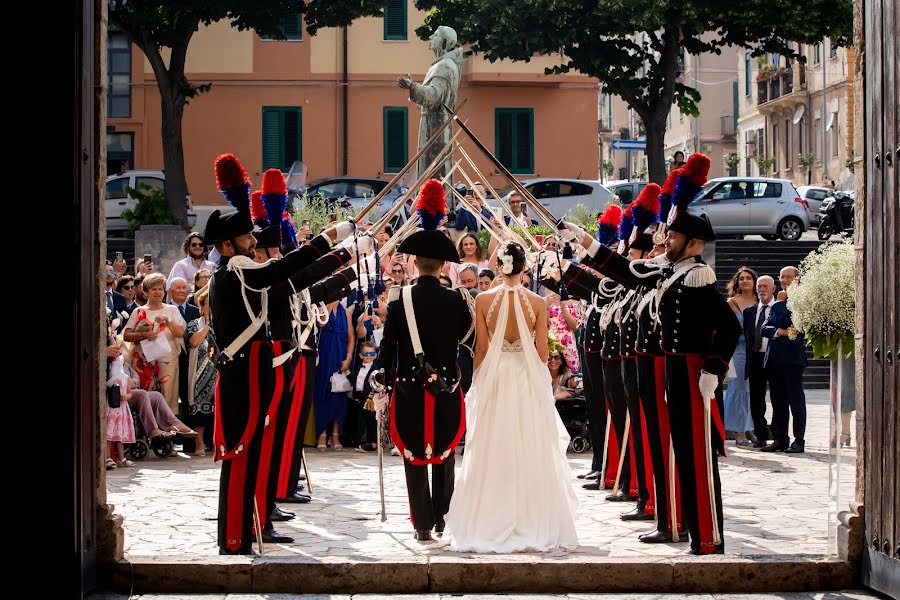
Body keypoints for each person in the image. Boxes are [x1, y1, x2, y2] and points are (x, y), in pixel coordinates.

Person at [205, 152, 357, 555]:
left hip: (252, 369)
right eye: (246, 238)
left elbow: (290, 275)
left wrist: (340, 256)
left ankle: (247, 527)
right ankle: (235, 537)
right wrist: (331, 240)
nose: (254, 243)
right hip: (244, 372)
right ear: (226, 244)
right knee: (242, 454)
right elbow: (286, 272)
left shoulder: (238, 270)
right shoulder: (235, 271)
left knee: (252, 452)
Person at [446, 241, 578, 552]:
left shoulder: (483, 299)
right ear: (523, 268)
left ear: (501, 266)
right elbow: (543, 351)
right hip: (524, 373)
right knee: (529, 440)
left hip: (496, 371)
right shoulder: (537, 302)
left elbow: (480, 349)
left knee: (494, 441)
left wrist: (478, 383)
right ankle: (530, 515)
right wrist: (541, 378)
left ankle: (489, 513)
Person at [373, 179, 474, 542]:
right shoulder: (457, 300)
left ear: (414, 263)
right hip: (447, 384)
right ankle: (443, 516)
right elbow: (466, 337)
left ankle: (421, 525)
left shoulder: (400, 301)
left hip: (410, 386)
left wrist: (379, 375)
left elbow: (389, 346)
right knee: (445, 452)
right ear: (443, 265)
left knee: (414, 456)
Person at [760, 266, 808, 454]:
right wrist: (779, 332)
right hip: (774, 359)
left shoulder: (801, 303)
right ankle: (780, 438)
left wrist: (784, 302)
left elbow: (794, 327)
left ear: (797, 279)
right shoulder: (778, 303)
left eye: (788, 277)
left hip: (793, 360)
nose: (784, 280)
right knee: (777, 401)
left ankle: (799, 439)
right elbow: (766, 327)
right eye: (782, 277)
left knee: (795, 401)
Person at [723, 267, 759, 446]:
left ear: (754, 281)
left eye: (748, 278)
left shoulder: (758, 300)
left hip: (757, 349)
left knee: (753, 390)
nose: (745, 281)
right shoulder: (732, 302)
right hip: (738, 349)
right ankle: (738, 431)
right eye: (741, 278)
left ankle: (749, 427)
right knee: (738, 389)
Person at [744, 275, 776, 448]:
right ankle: (761, 434)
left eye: (765, 286)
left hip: (773, 357)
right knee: (756, 400)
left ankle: (779, 436)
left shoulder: (778, 309)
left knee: (777, 397)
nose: (761, 289)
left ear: (773, 289)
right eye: (759, 286)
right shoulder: (749, 312)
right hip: (755, 358)